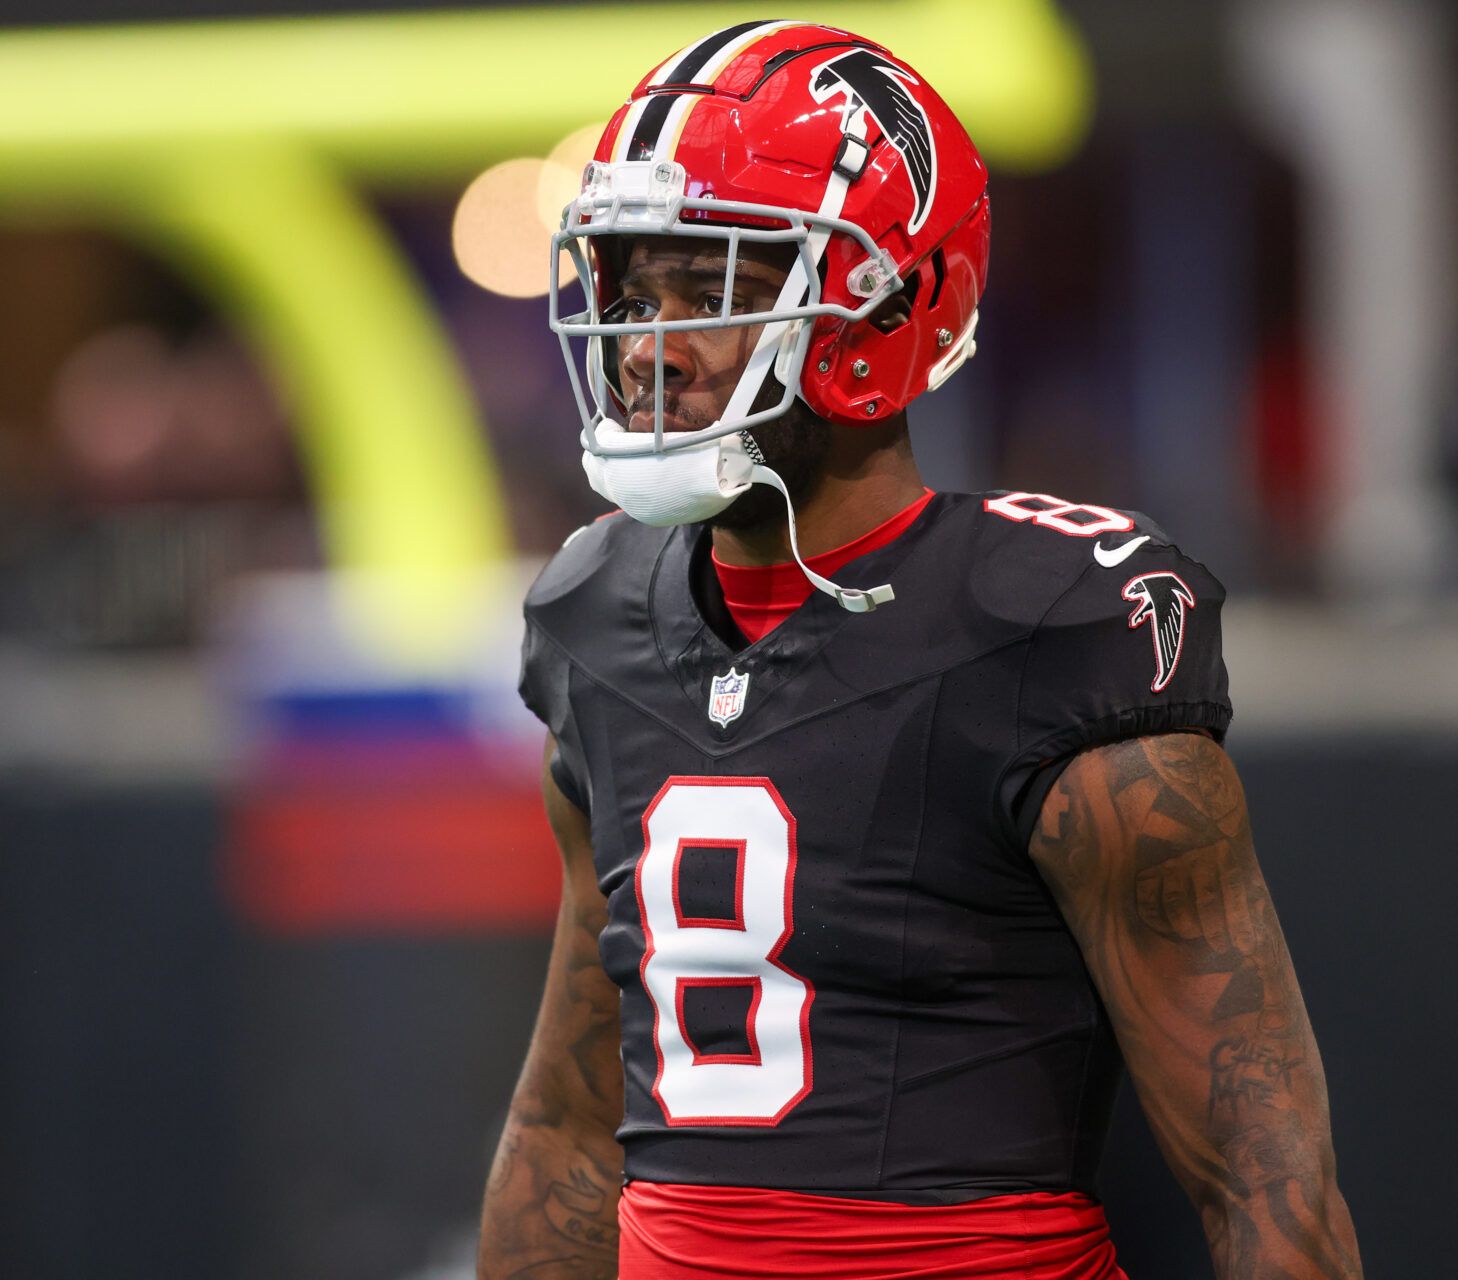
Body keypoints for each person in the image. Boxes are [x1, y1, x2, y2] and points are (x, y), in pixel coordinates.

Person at [480, 20, 1361, 1280]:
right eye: (633, 291)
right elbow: (567, 1130)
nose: (653, 345)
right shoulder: (595, 614)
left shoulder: (1050, 625)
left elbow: (1263, 1164)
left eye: (716, 284)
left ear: (887, 299)